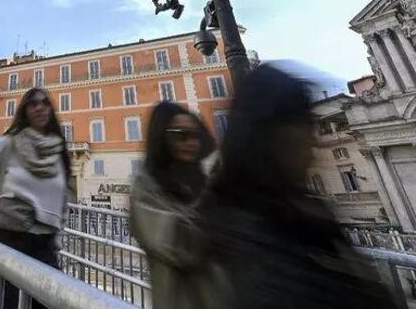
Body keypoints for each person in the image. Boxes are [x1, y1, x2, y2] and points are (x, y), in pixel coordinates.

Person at [199, 65, 395, 309]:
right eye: (302, 123)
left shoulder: (298, 209)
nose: (313, 138)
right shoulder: (246, 232)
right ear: (269, 133)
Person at [0, 88, 70, 309]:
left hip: (45, 248)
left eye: (45, 103)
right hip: (6, 241)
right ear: (24, 110)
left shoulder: (57, 151)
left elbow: (62, 200)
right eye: (33, 103)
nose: (40, 107)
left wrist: (57, 239)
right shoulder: (7, 143)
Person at [128, 102, 215, 309]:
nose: (191, 142)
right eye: (181, 134)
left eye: (196, 135)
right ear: (162, 138)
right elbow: (182, 245)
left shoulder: (203, 183)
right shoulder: (145, 188)